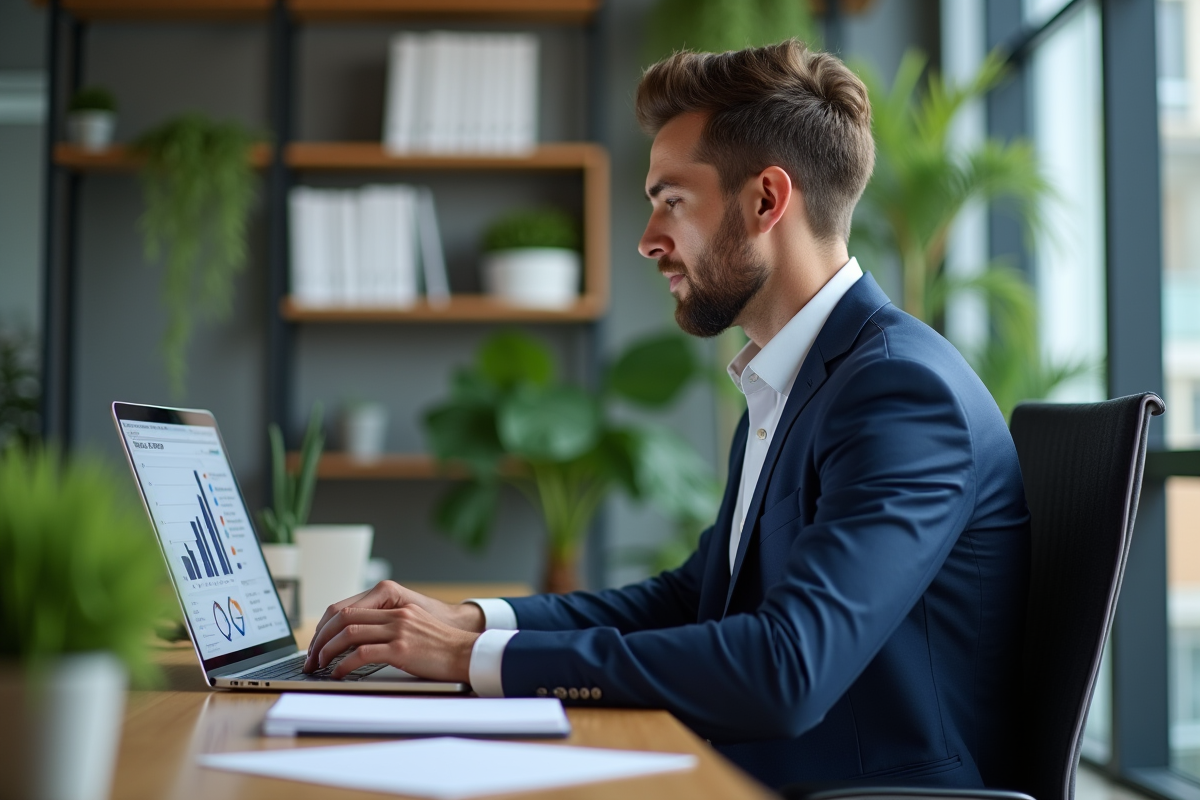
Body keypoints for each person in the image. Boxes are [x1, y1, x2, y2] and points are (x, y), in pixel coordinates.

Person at [303, 39, 1030, 792]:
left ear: (766, 201)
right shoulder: (801, 377)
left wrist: (466, 661)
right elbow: (694, 597)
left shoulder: (900, 393)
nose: (649, 240)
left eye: (671, 202)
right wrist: (479, 625)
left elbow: (788, 670)